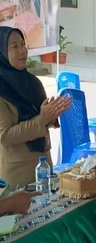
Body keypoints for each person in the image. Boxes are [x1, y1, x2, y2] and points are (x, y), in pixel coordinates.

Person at [0, 27, 71, 187]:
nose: (22, 50)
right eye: (15, 46)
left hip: (43, 165)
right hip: (17, 176)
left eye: (23, 44)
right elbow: (5, 137)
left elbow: (42, 116)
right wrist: (42, 118)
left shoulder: (32, 82)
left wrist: (52, 115)